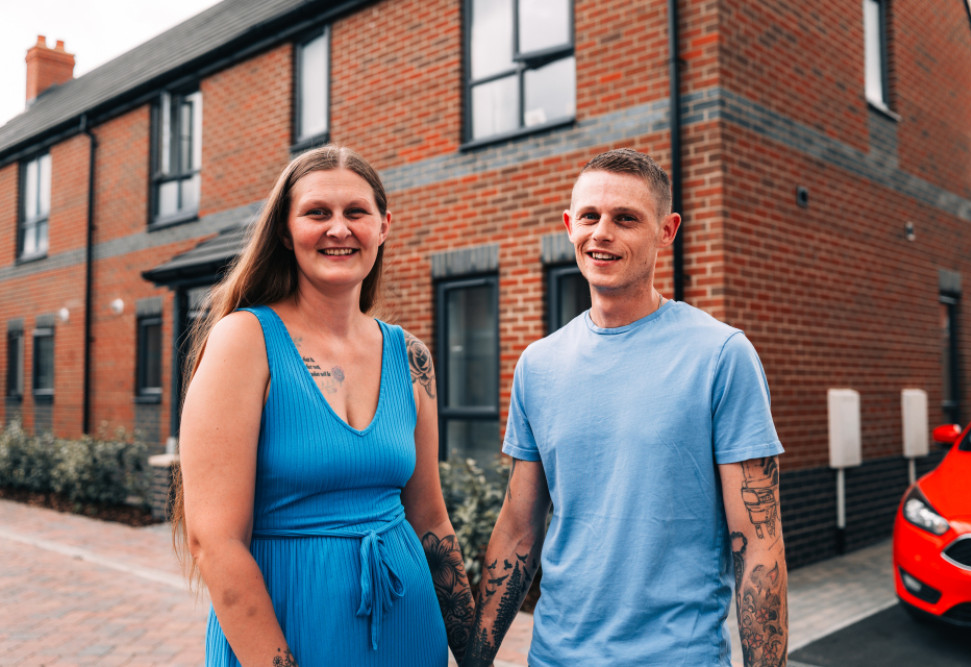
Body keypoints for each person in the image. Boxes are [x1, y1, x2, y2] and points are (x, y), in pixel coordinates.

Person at [462, 148, 788, 666]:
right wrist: (476, 657)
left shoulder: (721, 355)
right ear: (570, 226)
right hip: (554, 656)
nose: (602, 233)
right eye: (590, 216)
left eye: (626, 218)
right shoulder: (539, 364)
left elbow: (758, 542)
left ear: (666, 230)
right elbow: (519, 528)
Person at [174, 145, 475, 666]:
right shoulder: (244, 341)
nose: (339, 229)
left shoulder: (410, 356)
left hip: (408, 630)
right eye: (317, 213)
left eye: (355, 212)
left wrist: (475, 655)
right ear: (286, 233)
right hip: (288, 627)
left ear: (382, 226)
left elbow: (430, 518)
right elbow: (214, 542)